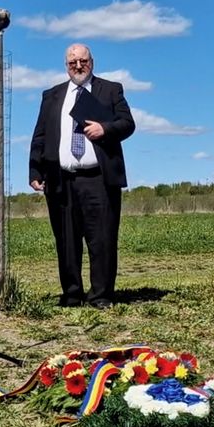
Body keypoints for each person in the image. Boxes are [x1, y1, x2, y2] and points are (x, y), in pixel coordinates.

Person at [29, 44, 135, 309]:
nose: (78, 66)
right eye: (72, 62)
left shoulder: (110, 90)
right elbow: (40, 135)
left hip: (98, 179)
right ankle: (72, 294)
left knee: (102, 239)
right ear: (65, 65)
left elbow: (127, 123)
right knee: (66, 240)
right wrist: (35, 169)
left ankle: (101, 296)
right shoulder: (52, 95)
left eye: (83, 61)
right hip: (61, 178)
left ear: (92, 62)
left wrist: (105, 128)